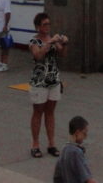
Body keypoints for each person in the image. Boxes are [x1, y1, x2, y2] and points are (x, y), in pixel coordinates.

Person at [29, 12, 68, 158]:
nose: (47, 27)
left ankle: (51, 143)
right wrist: (49, 43)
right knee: (38, 111)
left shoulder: (52, 40)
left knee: (51, 112)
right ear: (38, 26)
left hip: (53, 79)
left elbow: (63, 54)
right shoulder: (34, 41)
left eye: (48, 24)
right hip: (40, 81)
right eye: (44, 24)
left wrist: (64, 43)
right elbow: (38, 55)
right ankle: (35, 144)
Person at [53, 115, 97, 183]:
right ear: (77, 132)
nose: (85, 137)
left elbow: (57, 177)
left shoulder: (64, 149)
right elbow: (87, 179)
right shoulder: (76, 152)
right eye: (84, 133)